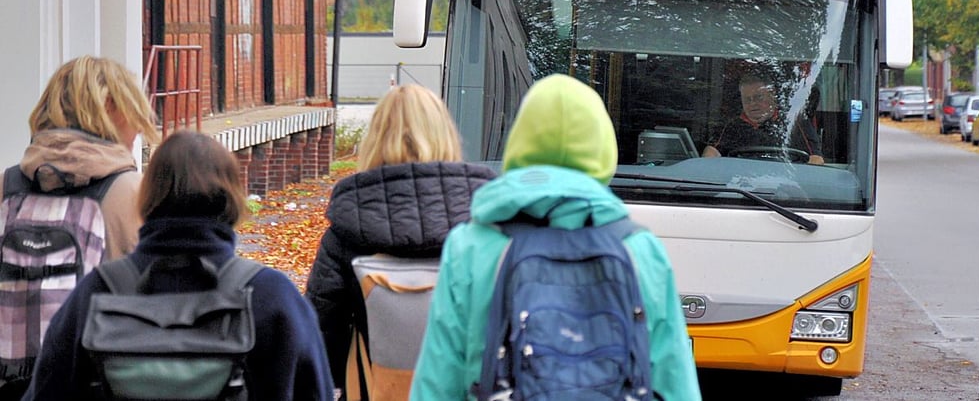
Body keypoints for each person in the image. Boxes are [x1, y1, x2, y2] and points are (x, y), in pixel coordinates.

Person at [409, 74, 702, 400]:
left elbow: (438, 381)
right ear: (603, 150)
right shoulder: (640, 249)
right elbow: (675, 382)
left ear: (519, 143)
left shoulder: (470, 246)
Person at [21, 130, 335, 400]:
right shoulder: (273, 298)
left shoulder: (96, 294)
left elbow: (47, 390)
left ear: (148, 195)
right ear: (232, 197)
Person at [305, 84, 496, 398]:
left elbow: (319, 340)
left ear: (375, 139)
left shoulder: (346, 230)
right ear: (446, 134)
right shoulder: (487, 221)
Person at [1, 55, 159, 258]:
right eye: (133, 110)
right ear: (109, 106)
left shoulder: (6, 186)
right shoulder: (133, 192)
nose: (138, 128)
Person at [703, 71, 824, 164]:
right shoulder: (731, 126)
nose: (752, 104)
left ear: (773, 95)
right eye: (747, 100)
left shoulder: (796, 122)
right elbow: (710, 154)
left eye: (758, 97)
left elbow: (816, 160)